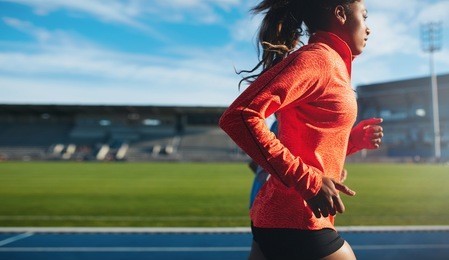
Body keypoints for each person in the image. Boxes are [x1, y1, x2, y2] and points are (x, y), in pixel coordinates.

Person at [219, 0, 384, 259]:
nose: (368, 28)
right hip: (296, 219)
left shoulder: (333, 64)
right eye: (363, 16)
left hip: (280, 217)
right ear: (340, 14)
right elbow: (239, 116)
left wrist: (351, 142)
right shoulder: (317, 60)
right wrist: (311, 182)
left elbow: (308, 144)